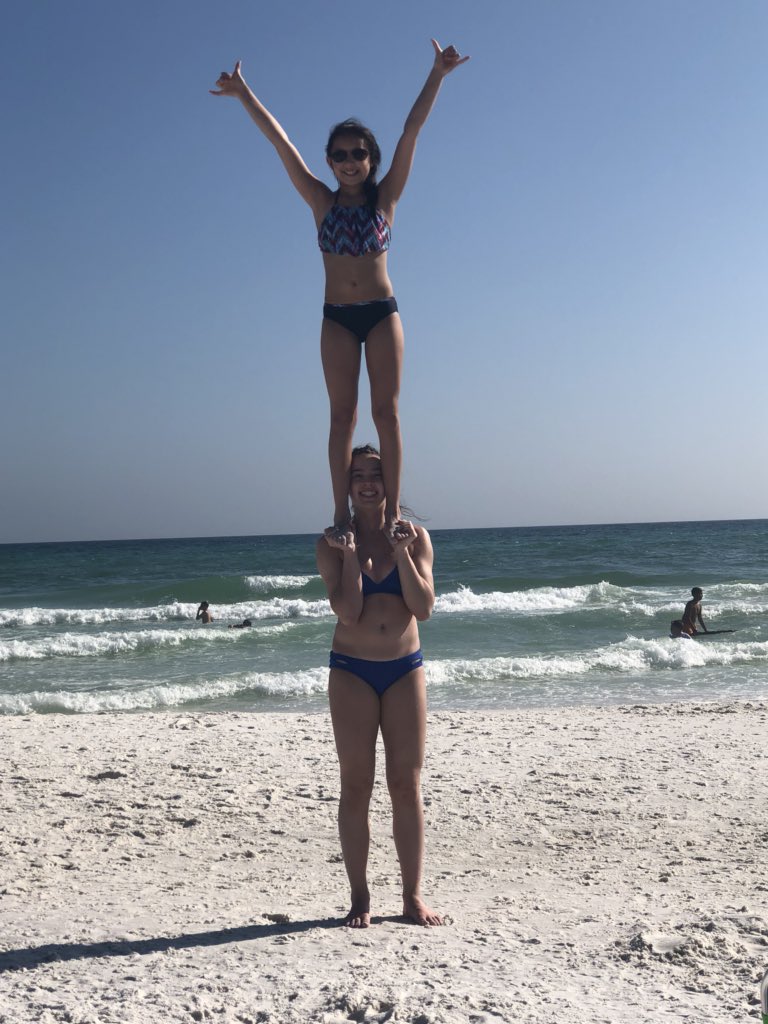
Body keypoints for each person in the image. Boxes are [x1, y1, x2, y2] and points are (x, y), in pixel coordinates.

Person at [212, 40, 468, 539]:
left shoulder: (387, 198)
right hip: (336, 317)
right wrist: (244, 94)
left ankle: (393, 511)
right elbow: (280, 143)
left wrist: (437, 73)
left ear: (371, 158)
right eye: (340, 155)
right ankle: (339, 514)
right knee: (341, 418)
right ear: (328, 162)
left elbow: (411, 130)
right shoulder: (319, 201)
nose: (350, 161)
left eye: (358, 153)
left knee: (386, 412)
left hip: (381, 312)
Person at [316, 444, 441, 928]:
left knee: (405, 786)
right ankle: (360, 897)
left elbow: (423, 607)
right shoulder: (328, 543)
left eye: (377, 473)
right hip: (351, 670)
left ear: (391, 481)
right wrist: (349, 556)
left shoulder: (417, 537)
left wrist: (403, 553)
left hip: (404, 669)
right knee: (356, 786)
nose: (368, 483)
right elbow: (348, 612)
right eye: (358, 476)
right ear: (346, 486)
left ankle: (412, 897)